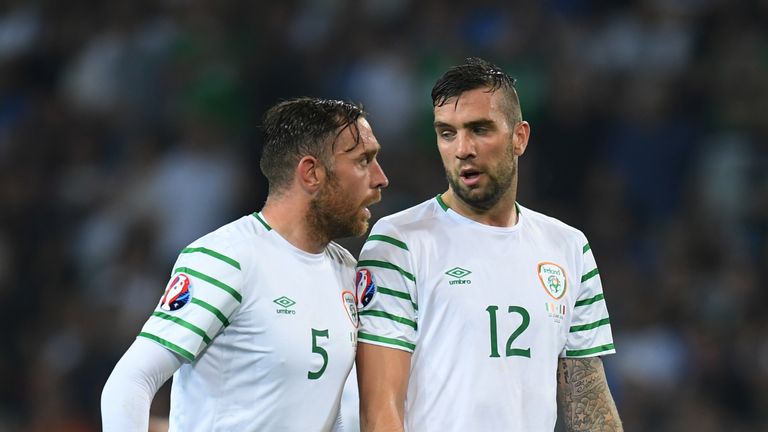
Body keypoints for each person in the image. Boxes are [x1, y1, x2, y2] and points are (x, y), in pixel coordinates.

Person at [355, 58, 623, 431]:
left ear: (519, 137)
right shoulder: (399, 242)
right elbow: (379, 410)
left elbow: (588, 403)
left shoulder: (568, 247)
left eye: (479, 129)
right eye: (447, 133)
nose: (462, 148)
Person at [101, 97, 389, 431]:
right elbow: (131, 380)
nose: (381, 178)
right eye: (363, 160)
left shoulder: (347, 272)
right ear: (311, 173)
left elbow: (334, 410)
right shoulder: (229, 258)